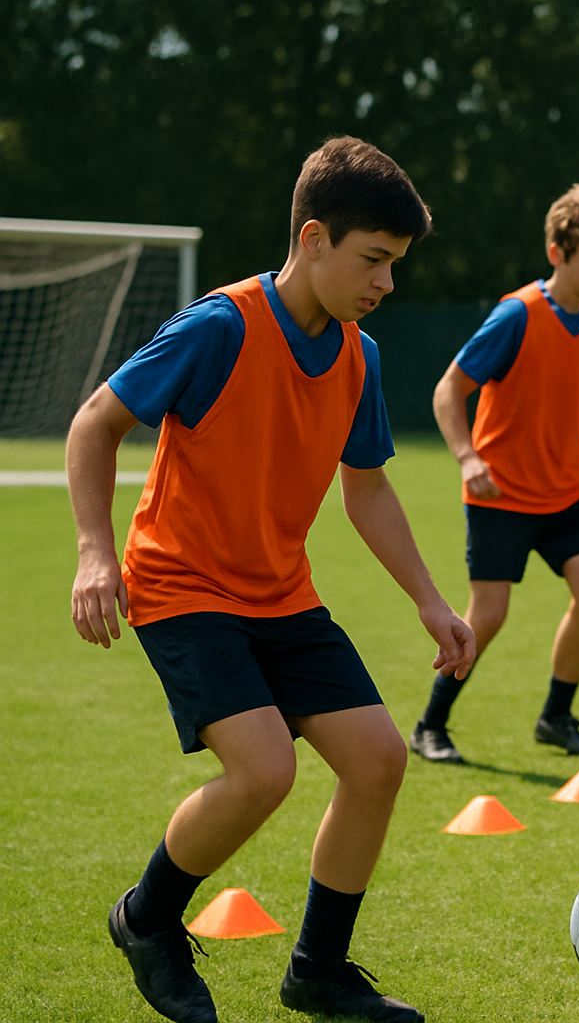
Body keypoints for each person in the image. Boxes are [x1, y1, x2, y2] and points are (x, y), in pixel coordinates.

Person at [68, 137, 475, 1023]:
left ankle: (317, 972)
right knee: (265, 770)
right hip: (180, 586)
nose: (386, 283)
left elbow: (365, 489)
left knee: (377, 760)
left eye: (395, 265)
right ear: (315, 237)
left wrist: (430, 600)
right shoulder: (221, 326)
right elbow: (95, 424)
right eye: (375, 260)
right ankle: (147, 920)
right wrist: (95, 553)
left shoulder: (360, 357)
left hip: (281, 593)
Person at [408, 184, 579, 764]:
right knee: (489, 615)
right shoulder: (516, 315)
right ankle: (430, 724)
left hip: (567, 492)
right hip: (500, 492)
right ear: (557, 251)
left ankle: (555, 717)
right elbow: (449, 390)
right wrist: (469, 459)